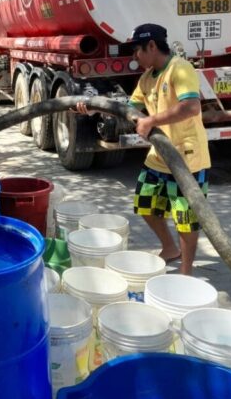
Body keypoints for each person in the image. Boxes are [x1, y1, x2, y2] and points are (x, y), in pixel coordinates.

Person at [76, 23, 210, 275]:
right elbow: (128, 107)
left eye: (137, 51)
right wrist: (94, 108)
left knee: (185, 219)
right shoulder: (147, 78)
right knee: (145, 204)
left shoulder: (180, 69)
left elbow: (191, 107)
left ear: (152, 45)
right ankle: (170, 248)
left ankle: (186, 273)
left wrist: (151, 121)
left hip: (187, 157)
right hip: (159, 156)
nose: (135, 58)